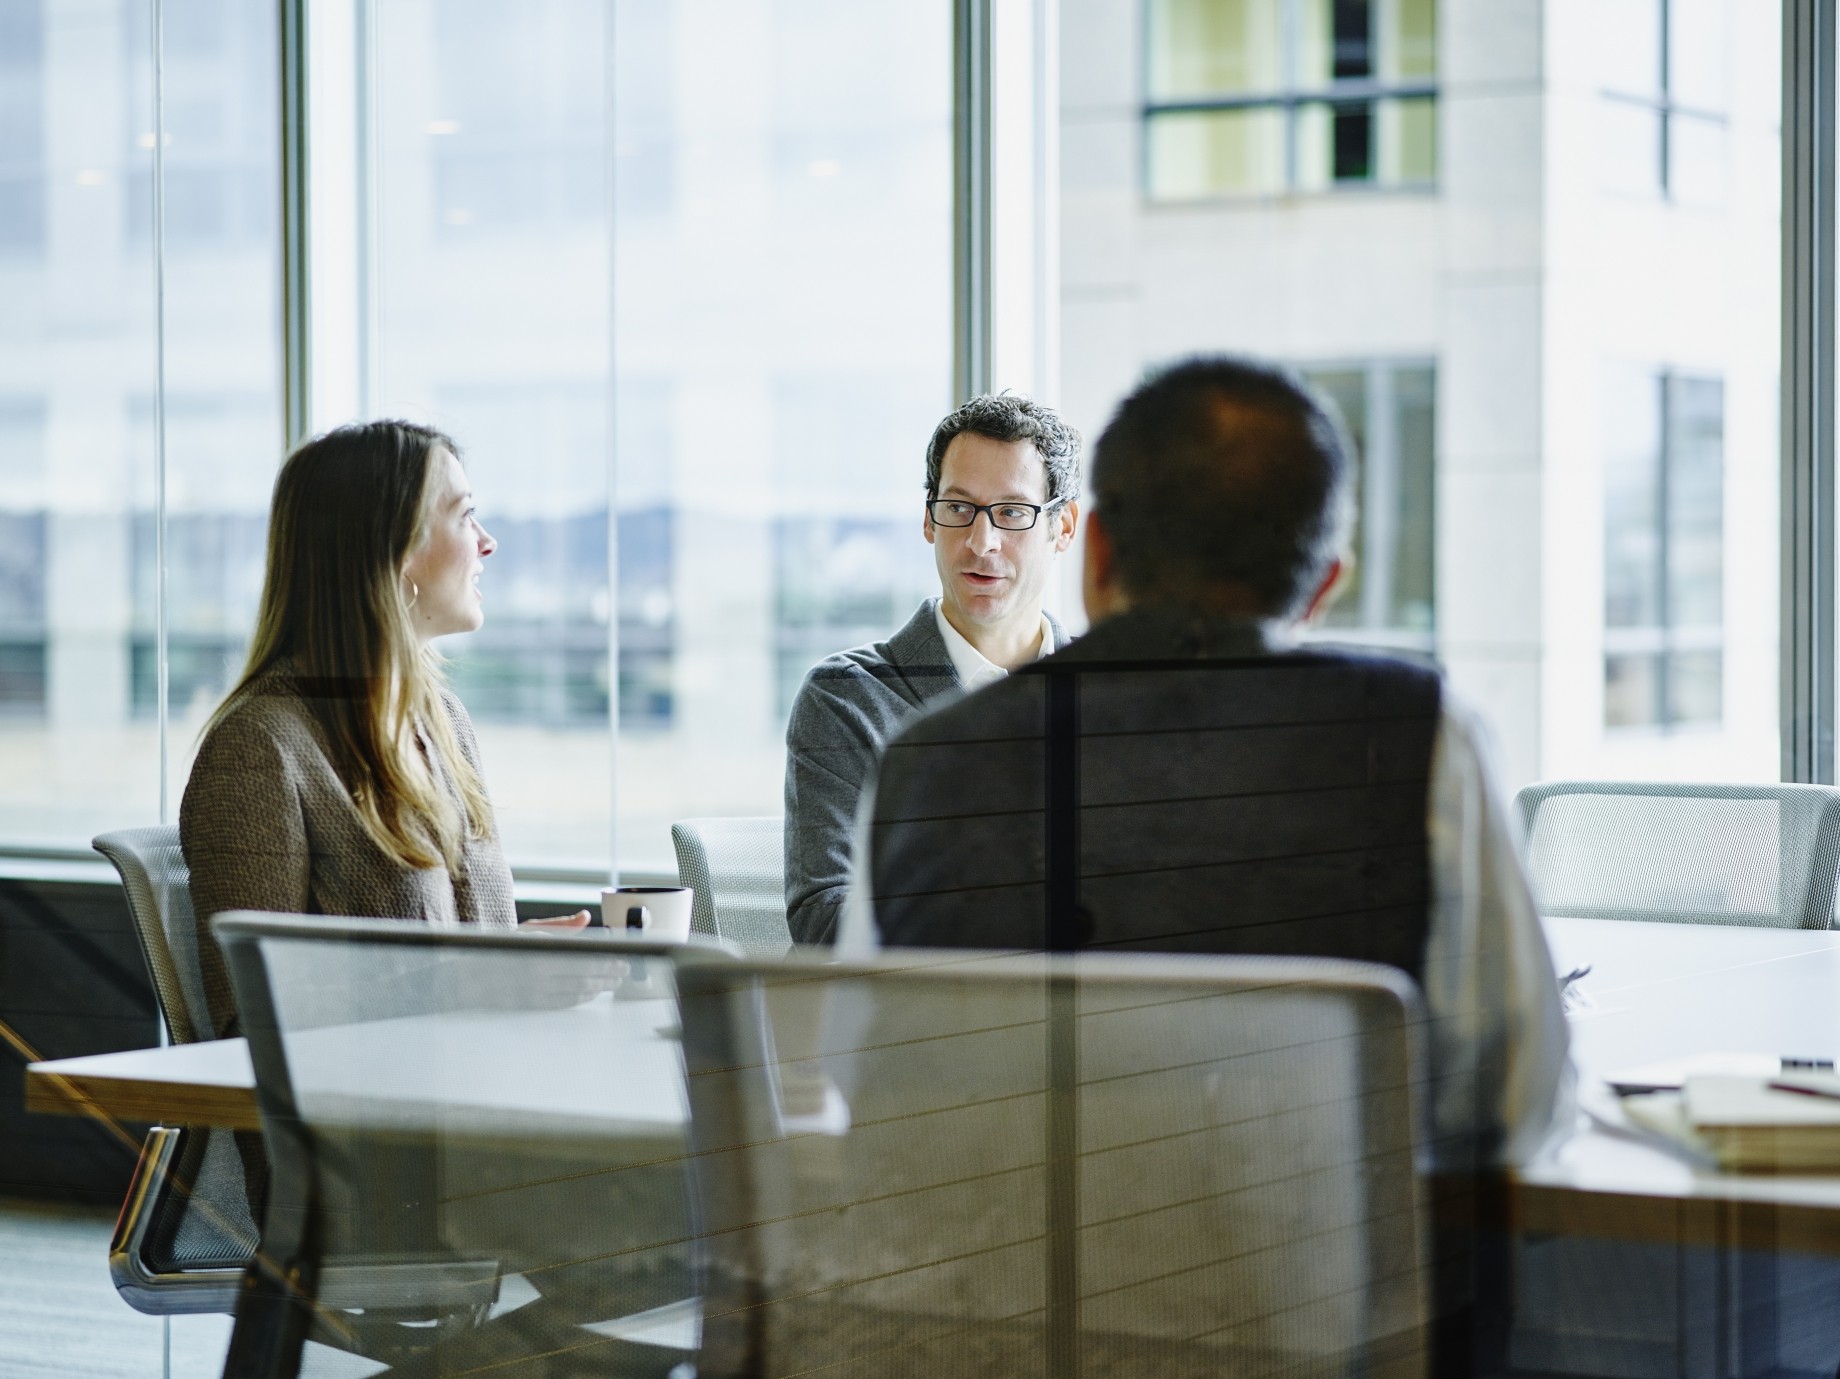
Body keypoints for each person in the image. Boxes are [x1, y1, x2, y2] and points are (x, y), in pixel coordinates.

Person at [845, 355, 1572, 1170]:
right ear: (1324, 585)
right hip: (1312, 1287)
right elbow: (1515, 1104)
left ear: (1096, 551)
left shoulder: (925, 760)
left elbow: (866, 1076)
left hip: (990, 1281)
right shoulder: (1420, 736)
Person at [180, 420, 587, 1045]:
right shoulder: (260, 748)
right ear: (391, 550)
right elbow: (249, 1018)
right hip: (368, 1134)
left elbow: (469, 964)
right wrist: (476, 980)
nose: (487, 543)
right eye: (464, 516)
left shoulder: (444, 723)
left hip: (479, 1093)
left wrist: (525, 965)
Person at [782, 393, 1082, 945]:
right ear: (929, 519)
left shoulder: (1119, 692)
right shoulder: (847, 698)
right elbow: (823, 921)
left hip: (1103, 1023)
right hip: (928, 1024)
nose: (980, 542)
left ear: (1062, 528)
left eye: (1012, 513)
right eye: (959, 508)